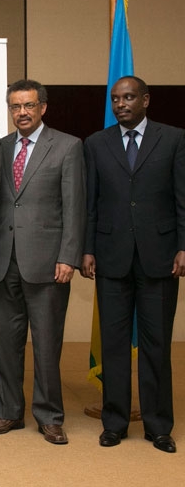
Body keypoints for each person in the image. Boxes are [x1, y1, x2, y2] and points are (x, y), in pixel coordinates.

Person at [81, 75, 183, 454]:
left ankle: (158, 426)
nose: (121, 104)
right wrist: (87, 249)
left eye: (128, 97)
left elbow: (182, 197)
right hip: (110, 257)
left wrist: (184, 246)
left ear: (146, 100)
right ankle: (115, 422)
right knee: (114, 345)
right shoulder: (96, 143)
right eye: (115, 99)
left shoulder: (173, 139)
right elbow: (90, 202)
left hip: (160, 257)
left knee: (157, 346)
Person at [0, 79, 85, 445]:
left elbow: (74, 207)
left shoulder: (69, 147)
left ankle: (49, 416)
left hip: (48, 263)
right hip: (4, 260)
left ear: (43, 107)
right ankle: (9, 412)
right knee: (5, 344)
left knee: (46, 344)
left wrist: (68, 256)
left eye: (28, 106)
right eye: (15, 107)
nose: (21, 113)